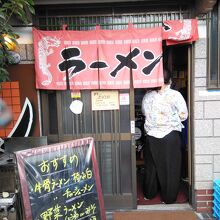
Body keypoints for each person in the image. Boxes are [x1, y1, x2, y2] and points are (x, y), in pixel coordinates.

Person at [141, 68, 188, 204]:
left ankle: (149, 194)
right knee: (170, 167)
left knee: (152, 166)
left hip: (151, 135)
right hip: (170, 136)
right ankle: (168, 198)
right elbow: (184, 115)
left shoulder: (148, 96)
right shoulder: (175, 95)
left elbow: (144, 113)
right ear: (170, 80)